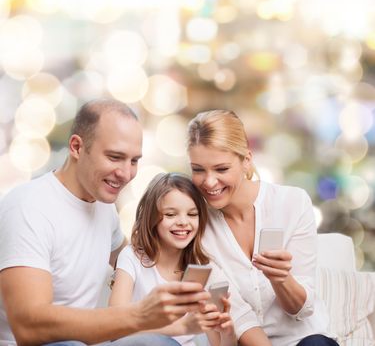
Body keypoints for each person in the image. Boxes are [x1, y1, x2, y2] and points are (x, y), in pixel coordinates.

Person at [0, 99, 209, 346]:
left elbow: (132, 255)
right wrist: (140, 315)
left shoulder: (103, 206)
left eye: (133, 161)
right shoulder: (28, 208)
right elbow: (29, 327)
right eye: (114, 157)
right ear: (77, 147)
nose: (126, 173)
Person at [187, 109, 339, 346]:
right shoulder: (196, 225)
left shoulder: (292, 203)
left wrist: (281, 279)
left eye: (221, 169)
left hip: (303, 339)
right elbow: (236, 314)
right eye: (198, 169)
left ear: (246, 160)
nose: (208, 182)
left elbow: (302, 309)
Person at [109, 172, 238, 346]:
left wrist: (227, 333)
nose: (183, 222)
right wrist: (182, 327)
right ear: (152, 217)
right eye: (170, 215)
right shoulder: (132, 257)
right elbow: (114, 328)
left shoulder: (203, 268)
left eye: (192, 214)